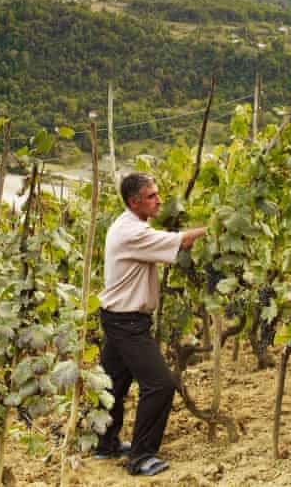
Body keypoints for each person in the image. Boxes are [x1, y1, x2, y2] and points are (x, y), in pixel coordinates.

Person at [94, 172, 207, 477]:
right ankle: (141, 457)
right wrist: (213, 230)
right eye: (152, 196)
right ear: (134, 202)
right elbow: (181, 243)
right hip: (127, 321)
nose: (159, 200)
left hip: (119, 316)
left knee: (114, 383)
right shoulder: (132, 232)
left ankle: (105, 444)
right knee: (160, 385)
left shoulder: (132, 225)